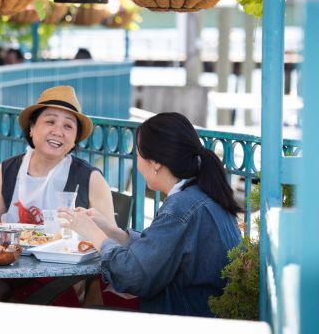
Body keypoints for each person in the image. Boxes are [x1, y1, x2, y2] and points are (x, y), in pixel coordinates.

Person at [60, 112, 241, 317]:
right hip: (205, 312)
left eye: (137, 154)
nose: (137, 162)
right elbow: (159, 249)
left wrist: (94, 234)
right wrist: (112, 231)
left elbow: (134, 276)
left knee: (79, 307)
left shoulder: (181, 207)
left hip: (186, 318)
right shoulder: (202, 193)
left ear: (155, 162)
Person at [0, 85, 115, 224]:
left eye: (68, 126)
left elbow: (110, 240)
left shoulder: (91, 179)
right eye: (50, 122)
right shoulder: (7, 170)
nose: (57, 132)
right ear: (32, 127)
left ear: (75, 139)